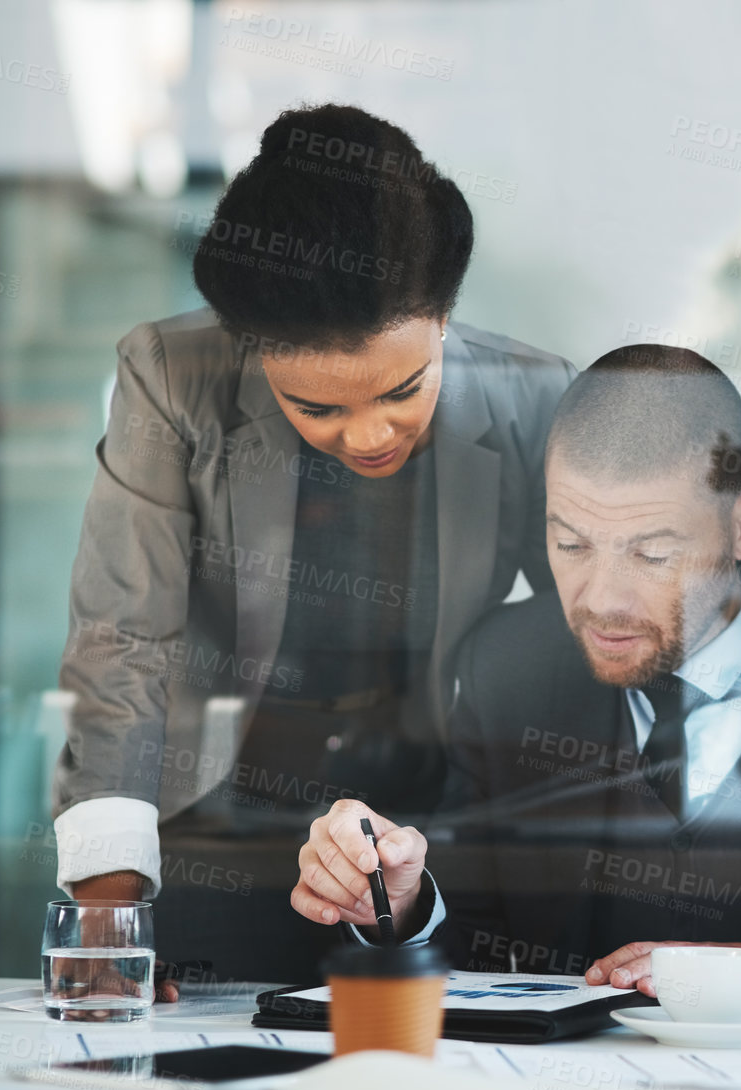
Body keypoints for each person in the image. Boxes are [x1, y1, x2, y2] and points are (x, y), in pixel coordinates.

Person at [288, 344, 741, 1016]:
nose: (601, 598)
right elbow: (474, 959)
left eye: (651, 553)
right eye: (569, 542)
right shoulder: (505, 667)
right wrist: (399, 898)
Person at [50, 104, 573, 985]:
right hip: (217, 827)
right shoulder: (171, 376)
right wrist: (108, 911)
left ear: (444, 317)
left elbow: (581, 637)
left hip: (429, 844)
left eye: (402, 390)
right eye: (318, 407)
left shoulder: (533, 398)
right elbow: (122, 641)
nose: (369, 434)